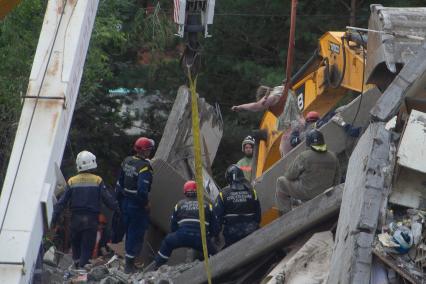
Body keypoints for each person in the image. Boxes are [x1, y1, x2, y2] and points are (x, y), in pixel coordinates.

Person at [52, 151, 119, 268]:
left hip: (75, 221)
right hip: (91, 221)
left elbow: (61, 203)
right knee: (86, 250)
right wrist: (118, 209)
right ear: (92, 164)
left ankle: (77, 269)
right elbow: (108, 200)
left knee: (76, 249)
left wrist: (54, 218)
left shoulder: (72, 181)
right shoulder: (97, 180)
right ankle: (81, 272)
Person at [153, 180, 218, 268]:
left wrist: (178, 236)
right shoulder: (208, 206)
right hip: (201, 239)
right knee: (215, 254)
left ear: (185, 192)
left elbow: (173, 227)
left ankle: (157, 266)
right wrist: (208, 237)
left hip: (182, 236)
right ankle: (214, 267)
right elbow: (215, 228)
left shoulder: (179, 205)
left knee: (167, 242)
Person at [275, 129, 341, 214]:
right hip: (327, 193)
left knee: (281, 182)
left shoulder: (304, 156)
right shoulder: (333, 157)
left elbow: (290, 175)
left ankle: (285, 215)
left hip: (307, 192)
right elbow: (337, 179)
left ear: (308, 143)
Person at [115, 137, 154, 273]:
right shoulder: (144, 167)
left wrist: (119, 201)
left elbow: (119, 183)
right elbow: (142, 190)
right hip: (137, 205)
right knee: (135, 233)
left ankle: (128, 262)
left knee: (128, 231)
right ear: (144, 151)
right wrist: (146, 203)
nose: (150, 152)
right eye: (149, 149)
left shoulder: (127, 161)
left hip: (125, 202)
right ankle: (129, 266)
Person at [214, 165, 261, 247]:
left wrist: (216, 235)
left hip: (232, 234)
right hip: (252, 230)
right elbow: (258, 215)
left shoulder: (223, 194)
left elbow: (217, 218)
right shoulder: (252, 191)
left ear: (229, 178)